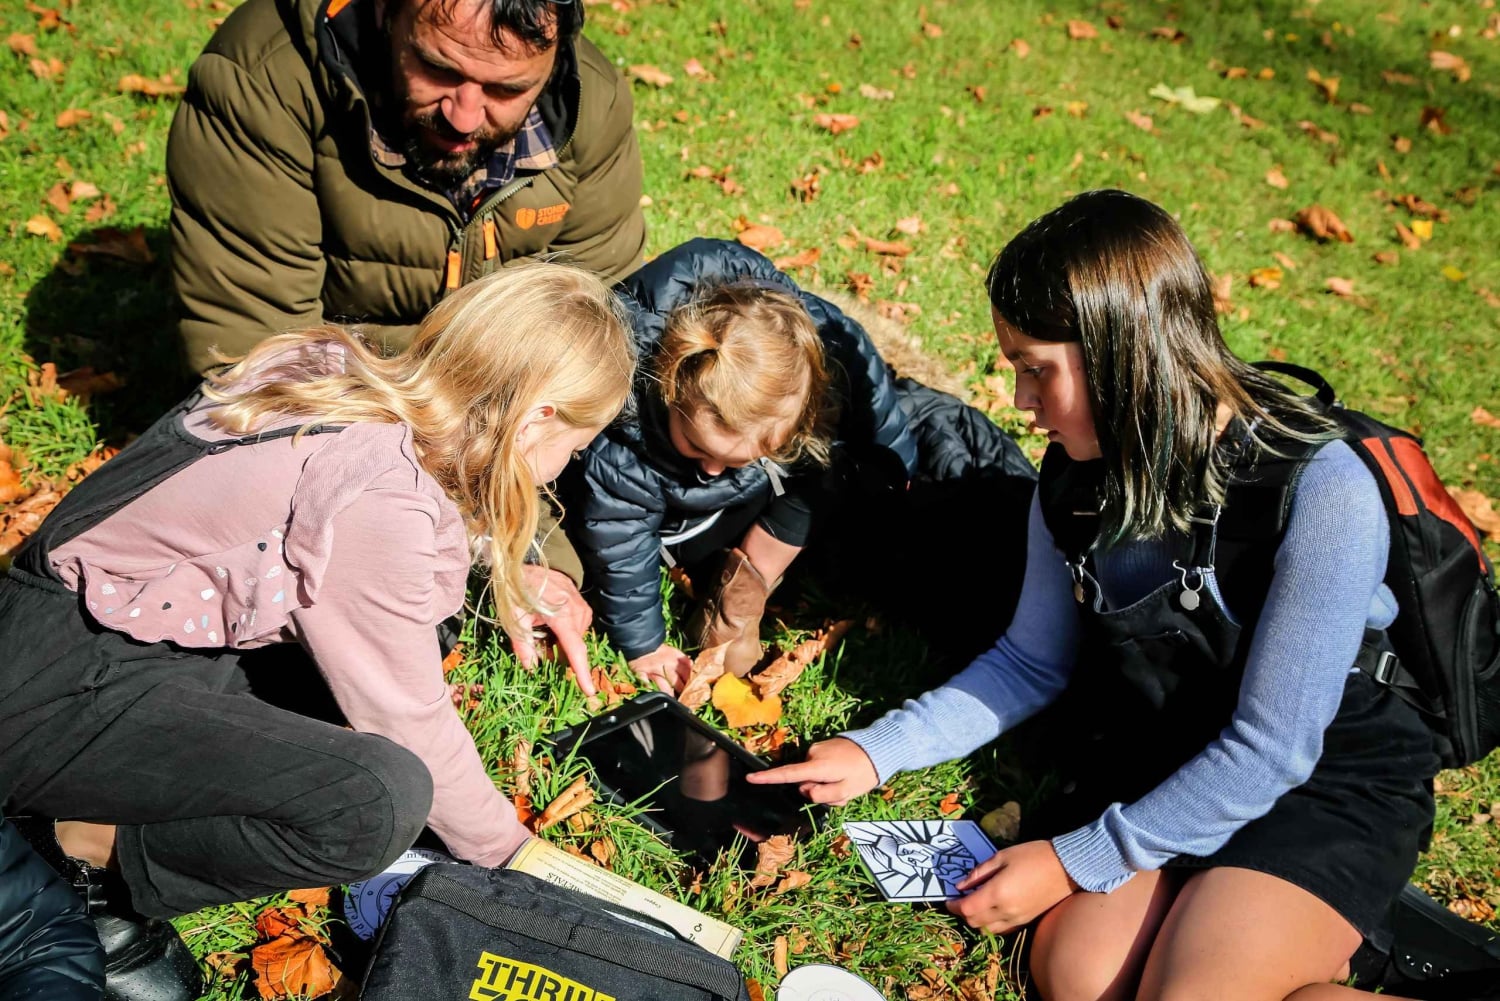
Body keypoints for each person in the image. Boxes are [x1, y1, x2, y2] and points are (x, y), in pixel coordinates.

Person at [750, 190, 1443, 1000]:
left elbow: (1272, 749)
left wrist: (1071, 860)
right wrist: (876, 750)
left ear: (1124, 351)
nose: (1020, 401)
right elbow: (1029, 661)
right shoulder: (1073, 478)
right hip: (1173, 749)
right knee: (1075, 972)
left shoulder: (1320, 488)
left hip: (1320, 780)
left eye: (1035, 368)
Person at [0, 263, 634, 999]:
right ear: (537, 419)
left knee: (414, 645)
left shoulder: (338, 377)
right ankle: (82, 849)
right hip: (47, 690)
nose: (561, 470)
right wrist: (513, 855)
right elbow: (408, 721)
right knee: (379, 801)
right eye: (574, 447)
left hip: (65, 629)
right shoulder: (376, 496)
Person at [560, 239, 1037, 692]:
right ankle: (734, 592)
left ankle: (747, 584)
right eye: (697, 447)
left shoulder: (829, 356)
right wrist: (644, 645)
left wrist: (897, 481)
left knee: (852, 476)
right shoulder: (623, 443)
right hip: (686, 523)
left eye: (741, 457)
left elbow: (879, 415)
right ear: (669, 388)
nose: (712, 470)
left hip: (773, 492)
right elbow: (619, 545)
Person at [167, 0, 646, 375]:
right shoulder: (266, 84)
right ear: (385, 11)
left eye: (507, 90)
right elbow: (260, 358)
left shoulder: (588, 101)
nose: (464, 117)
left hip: (503, 412)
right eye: (438, 69)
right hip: (336, 400)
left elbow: (600, 319)